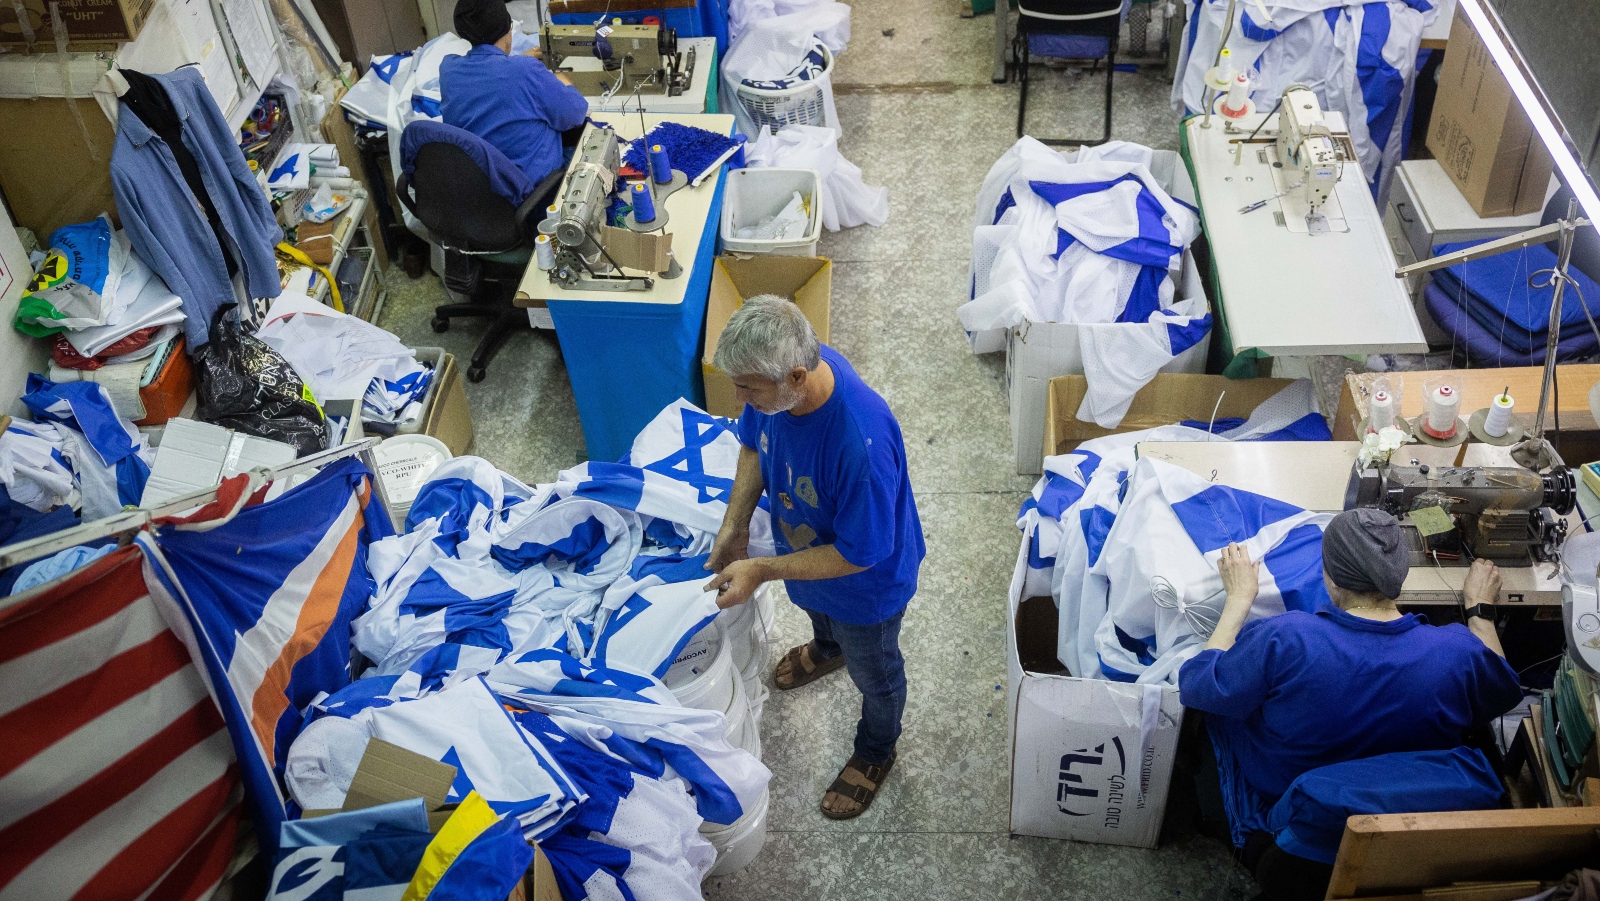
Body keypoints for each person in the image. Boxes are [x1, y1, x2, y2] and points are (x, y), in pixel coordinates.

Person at [1179, 508, 1523, 901]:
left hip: (1292, 824)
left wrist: (1239, 600)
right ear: (1401, 574)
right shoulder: (1455, 651)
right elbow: (1504, 688)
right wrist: (1479, 609)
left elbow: (1196, 685)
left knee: (1218, 713)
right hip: (1400, 822)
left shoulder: (1287, 638)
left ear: (1328, 577)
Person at [702, 295, 925, 820]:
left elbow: (857, 554)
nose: (738, 399)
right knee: (818, 613)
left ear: (797, 376)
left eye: (747, 388)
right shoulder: (782, 393)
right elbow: (754, 444)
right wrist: (735, 528)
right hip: (810, 563)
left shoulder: (859, 447)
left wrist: (760, 569)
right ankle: (828, 649)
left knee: (876, 674)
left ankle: (876, 749)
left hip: (864, 587)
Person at [439, 0, 588, 183]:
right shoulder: (524, 70)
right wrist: (560, 77)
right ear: (508, 29)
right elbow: (575, 113)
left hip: (480, 188)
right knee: (588, 136)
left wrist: (518, 63)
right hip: (532, 192)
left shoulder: (449, 70)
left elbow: (492, 82)